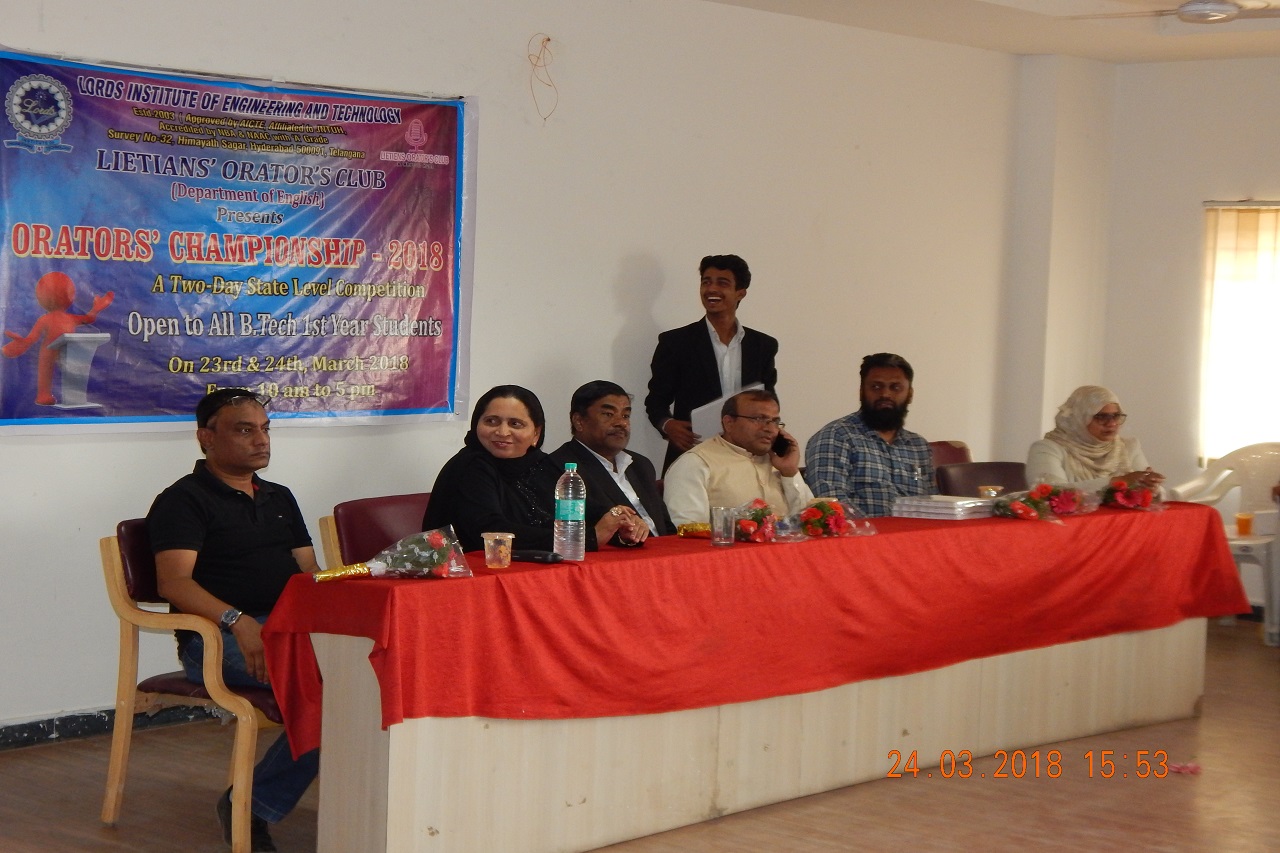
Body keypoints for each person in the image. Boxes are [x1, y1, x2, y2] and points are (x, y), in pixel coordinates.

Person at [146, 387, 319, 852]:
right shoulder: (183, 500)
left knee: (367, 676)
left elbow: (308, 572)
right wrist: (239, 623)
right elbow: (174, 583)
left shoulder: (279, 496)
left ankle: (368, 806)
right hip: (217, 639)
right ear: (206, 437)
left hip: (287, 629)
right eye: (244, 430)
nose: (261, 440)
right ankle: (250, 806)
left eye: (265, 429)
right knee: (333, 695)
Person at [423, 384, 645, 553]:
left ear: (536, 434)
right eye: (491, 421)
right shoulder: (470, 466)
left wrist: (623, 528)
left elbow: (589, 512)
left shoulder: (543, 464)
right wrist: (582, 539)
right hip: (475, 579)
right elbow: (490, 531)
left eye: (515, 424)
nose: (502, 432)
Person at [645, 254, 778, 472]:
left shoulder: (762, 345)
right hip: (694, 453)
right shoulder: (676, 342)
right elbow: (656, 401)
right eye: (706, 282)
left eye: (722, 283)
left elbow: (769, 401)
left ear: (740, 293)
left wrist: (776, 440)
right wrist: (668, 425)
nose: (711, 289)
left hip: (748, 456)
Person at [804, 352, 934, 517]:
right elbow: (832, 507)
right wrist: (876, 529)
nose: (885, 394)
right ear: (861, 392)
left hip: (919, 531)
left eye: (895, 387)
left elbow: (934, 505)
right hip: (864, 532)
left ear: (910, 394)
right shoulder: (835, 437)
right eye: (876, 387)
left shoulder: (919, 446)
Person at [663, 388, 812, 527]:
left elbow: (811, 523)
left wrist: (790, 472)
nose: (770, 429)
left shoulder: (779, 461)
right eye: (759, 419)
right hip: (727, 547)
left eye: (775, 422)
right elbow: (689, 531)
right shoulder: (695, 463)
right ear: (729, 423)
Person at [550, 380, 675, 541]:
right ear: (579, 421)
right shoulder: (560, 469)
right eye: (608, 414)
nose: (621, 423)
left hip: (663, 552)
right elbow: (573, 536)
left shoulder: (640, 464)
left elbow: (665, 527)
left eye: (625, 416)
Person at [1026, 385, 1165, 493]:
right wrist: (1117, 482)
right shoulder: (1047, 449)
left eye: (1116, 416)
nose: (1111, 423)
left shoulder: (1128, 447)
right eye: (1101, 417)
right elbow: (1049, 491)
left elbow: (1160, 495)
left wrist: (1151, 487)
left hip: (1121, 521)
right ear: (1079, 418)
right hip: (1069, 522)